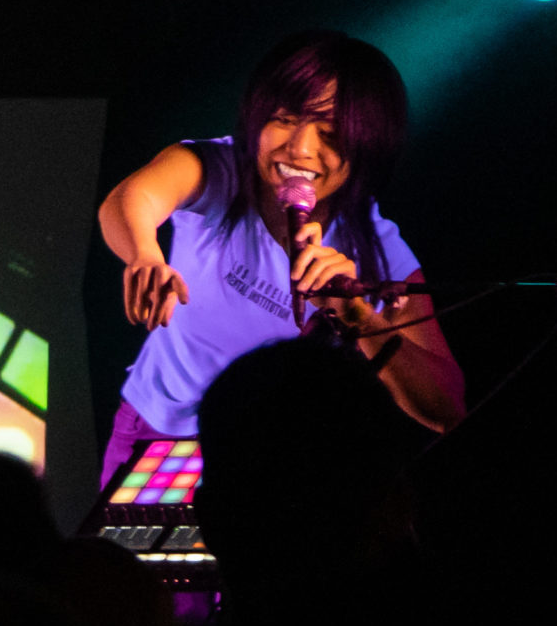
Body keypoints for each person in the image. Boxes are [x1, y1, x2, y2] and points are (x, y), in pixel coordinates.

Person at [95, 30, 467, 490]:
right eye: (285, 119)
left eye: (329, 135)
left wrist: (357, 316)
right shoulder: (221, 169)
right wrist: (144, 255)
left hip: (275, 462)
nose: (300, 148)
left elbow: (447, 408)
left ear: (367, 150)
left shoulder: (375, 245)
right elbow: (129, 199)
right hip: (161, 437)